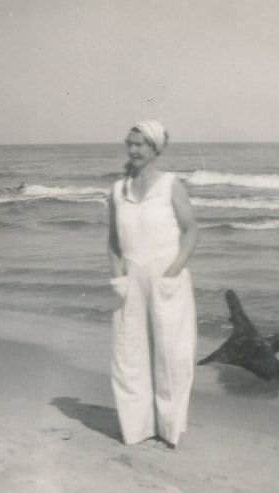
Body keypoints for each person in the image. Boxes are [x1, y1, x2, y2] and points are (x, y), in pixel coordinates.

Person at [107, 120, 199, 448]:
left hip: (166, 278)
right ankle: (136, 428)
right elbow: (114, 241)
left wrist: (173, 271)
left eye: (140, 145)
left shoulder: (170, 185)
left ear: (155, 148)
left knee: (172, 355)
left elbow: (191, 231)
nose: (133, 150)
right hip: (131, 279)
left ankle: (169, 428)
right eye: (130, 144)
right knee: (129, 355)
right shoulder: (118, 190)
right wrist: (118, 276)